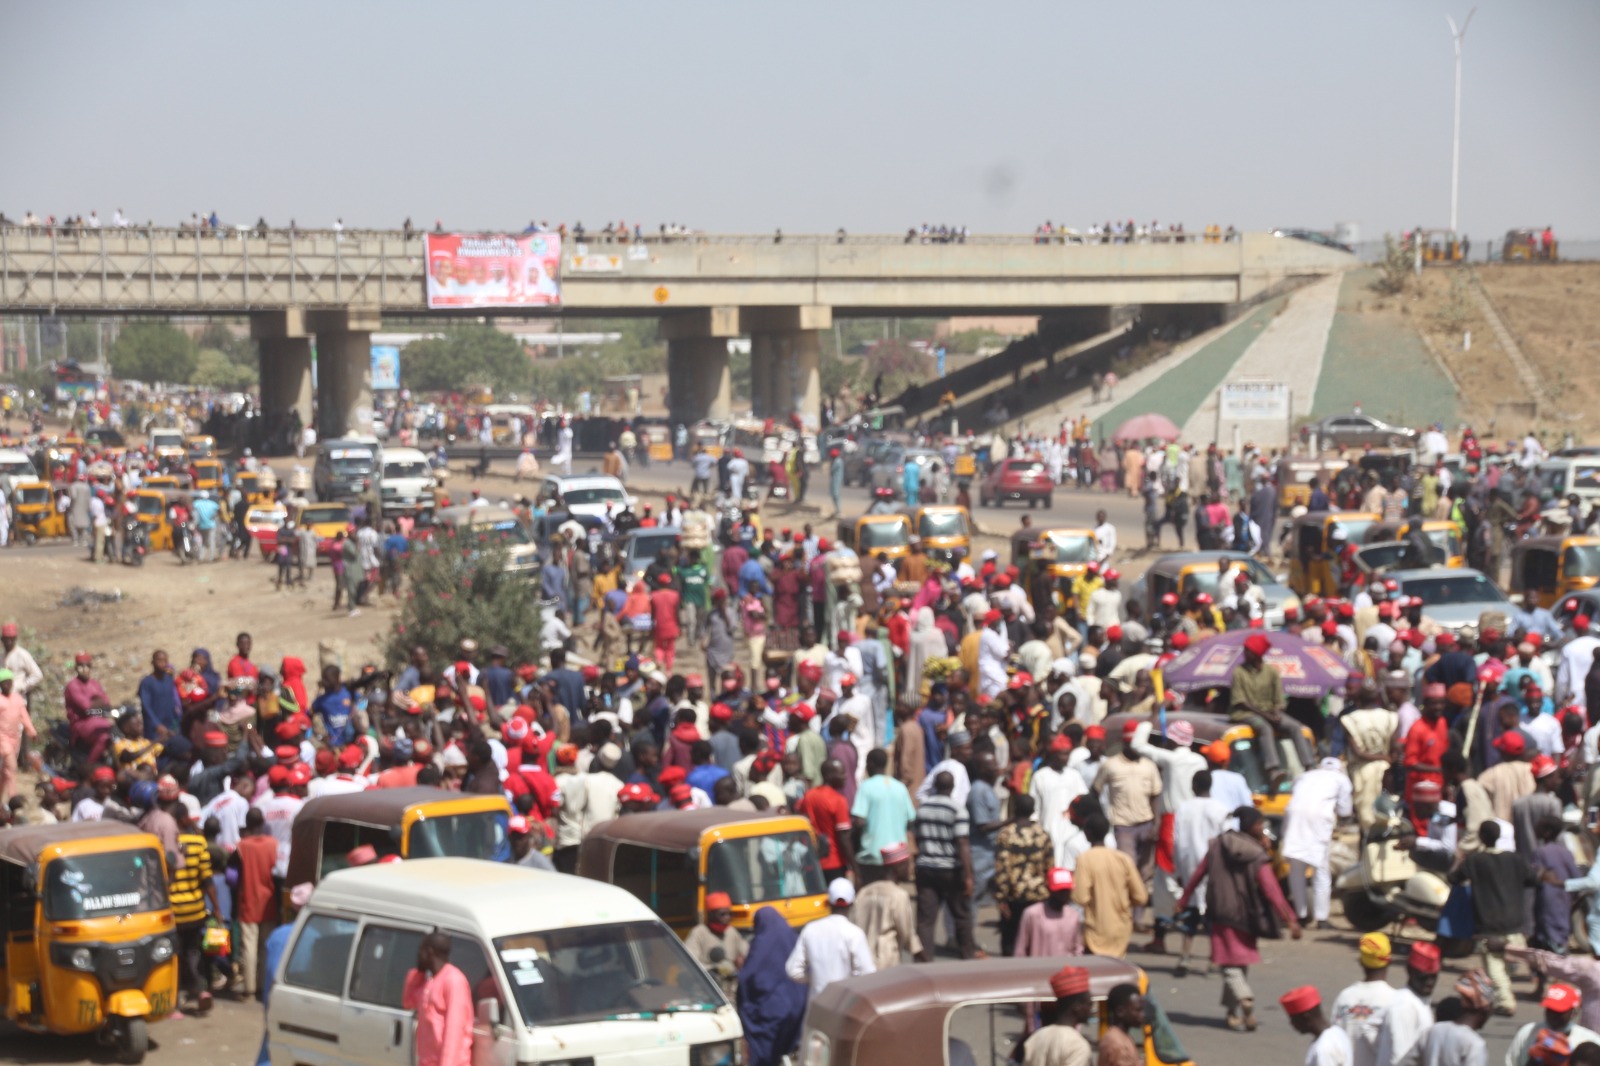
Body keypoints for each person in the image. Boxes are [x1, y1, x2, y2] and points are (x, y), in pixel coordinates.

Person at [1177, 806, 1302, 1031]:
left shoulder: (1218, 845)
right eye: (1259, 824)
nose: (1262, 828)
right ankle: (1244, 999)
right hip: (1246, 914)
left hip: (1220, 911)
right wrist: (1290, 918)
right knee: (1234, 963)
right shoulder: (1256, 855)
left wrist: (1184, 898)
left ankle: (1233, 1009)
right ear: (1250, 826)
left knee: (1231, 962)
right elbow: (1272, 889)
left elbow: (1198, 873)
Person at [1449, 819, 1534, 1014]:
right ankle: (1500, 994)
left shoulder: (1475, 860)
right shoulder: (1515, 859)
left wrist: (1460, 860)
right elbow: (1532, 880)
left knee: (1494, 964)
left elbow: (1453, 878)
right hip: (1514, 923)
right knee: (1504, 963)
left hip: (1488, 924)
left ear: (1481, 837)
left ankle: (1505, 1001)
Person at [1228, 632, 1311, 786]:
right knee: (1264, 728)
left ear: (1257, 654)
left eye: (1248, 651)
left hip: (1269, 711)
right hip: (1246, 713)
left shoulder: (1271, 671)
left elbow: (1279, 699)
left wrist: (1277, 713)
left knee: (1294, 727)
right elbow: (1240, 702)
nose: (1245, 653)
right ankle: (1272, 770)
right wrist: (1267, 716)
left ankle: (1309, 765)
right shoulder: (1239, 672)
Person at [913, 770, 980, 959]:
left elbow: (917, 836)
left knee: (926, 918)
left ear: (935, 786)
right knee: (961, 915)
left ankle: (925, 956)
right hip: (951, 869)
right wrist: (968, 875)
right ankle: (967, 953)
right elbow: (962, 843)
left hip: (926, 867)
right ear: (952, 787)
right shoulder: (957, 809)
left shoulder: (923, 808)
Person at [1282, 757, 1353, 929]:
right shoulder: (1341, 779)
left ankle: (1301, 915)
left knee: (1296, 869)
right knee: (1320, 870)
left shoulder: (1305, 775)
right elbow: (1345, 810)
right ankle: (1322, 918)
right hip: (1317, 818)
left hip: (1293, 815)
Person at [1071, 811, 1147, 959]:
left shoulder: (1084, 859)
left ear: (1087, 833)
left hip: (1095, 930)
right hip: (1121, 929)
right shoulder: (1123, 859)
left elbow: (1080, 897)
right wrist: (1122, 901)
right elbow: (1141, 897)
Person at [741, 906, 808, 1066]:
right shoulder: (793, 939)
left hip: (771, 1014)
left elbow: (747, 978)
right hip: (797, 1012)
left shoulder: (761, 943)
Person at [785, 878, 875, 998]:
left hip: (818, 1004)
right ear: (853, 904)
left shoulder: (810, 929)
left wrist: (816, 977)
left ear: (827, 902)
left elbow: (793, 970)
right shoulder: (854, 934)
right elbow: (868, 974)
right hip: (844, 1004)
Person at [994, 793, 1055, 957]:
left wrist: (1001, 898)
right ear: (1032, 810)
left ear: (1015, 809)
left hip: (1014, 896)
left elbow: (1002, 868)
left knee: (1011, 941)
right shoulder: (1042, 835)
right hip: (1038, 896)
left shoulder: (1006, 835)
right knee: (1035, 940)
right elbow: (1050, 867)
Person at [402, 931, 472, 1066]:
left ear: (429, 952)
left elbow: (454, 1031)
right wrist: (418, 971)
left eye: (420, 950)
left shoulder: (453, 980)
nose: (417, 955)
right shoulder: (430, 981)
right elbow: (408, 1002)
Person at [851, 842, 925, 968]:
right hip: (886, 962)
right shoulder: (898, 895)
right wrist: (923, 957)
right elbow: (907, 934)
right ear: (898, 868)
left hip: (860, 960)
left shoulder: (864, 891)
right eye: (909, 864)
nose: (911, 868)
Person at [1330, 932, 1397, 1066]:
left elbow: (1333, 1042)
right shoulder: (1395, 1000)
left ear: (1361, 961)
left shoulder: (1345, 997)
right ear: (1388, 960)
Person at [1372, 942, 1440, 1066]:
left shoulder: (1420, 1001)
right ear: (1409, 970)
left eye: (1433, 977)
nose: (1430, 983)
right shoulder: (1404, 1006)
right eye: (1423, 977)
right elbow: (1401, 1058)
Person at [1505, 983, 1600, 1065]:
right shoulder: (1528, 1032)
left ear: (1574, 1012)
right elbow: (1511, 1062)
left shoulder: (1589, 1041)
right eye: (1550, 1010)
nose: (1552, 1015)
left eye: (1559, 1011)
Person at [1021, 965, 1095, 1066]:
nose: (1092, 1010)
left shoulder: (1037, 1037)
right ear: (1077, 1006)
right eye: (1089, 1004)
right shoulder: (1077, 1046)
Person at [1014, 867, 1084, 958]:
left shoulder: (1073, 916)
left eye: (1066, 891)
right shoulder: (1032, 914)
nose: (1064, 895)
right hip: (1039, 969)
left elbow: (1078, 949)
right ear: (1049, 890)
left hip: (1066, 969)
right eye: (1060, 891)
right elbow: (1020, 950)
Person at [1283, 985, 1354, 1066]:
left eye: (1293, 1019)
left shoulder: (1323, 1049)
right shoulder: (1337, 1032)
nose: (1291, 1023)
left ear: (1305, 1017)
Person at [0, 668, 36, 803]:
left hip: (15, 738)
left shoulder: (17, 699)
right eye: (3, 682)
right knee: (11, 767)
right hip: (2, 738)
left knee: (5, 771)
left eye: (8, 682)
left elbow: (24, 716)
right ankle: (13, 798)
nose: (6, 685)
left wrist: (32, 732)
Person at [1097, 982, 1147, 1066]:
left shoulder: (1121, 1036)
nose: (1143, 1015)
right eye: (1138, 1010)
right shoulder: (1118, 1044)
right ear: (1120, 1011)